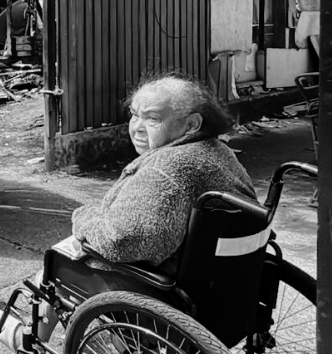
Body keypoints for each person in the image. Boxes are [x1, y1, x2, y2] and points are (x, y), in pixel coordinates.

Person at [69, 74, 256, 272]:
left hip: (168, 283)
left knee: (52, 270)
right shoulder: (217, 149)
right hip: (229, 270)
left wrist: (84, 217)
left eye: (152, 118)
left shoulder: (166, 168)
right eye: (134, 115)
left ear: (191, 125)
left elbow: (122, 242)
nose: (137, 128)